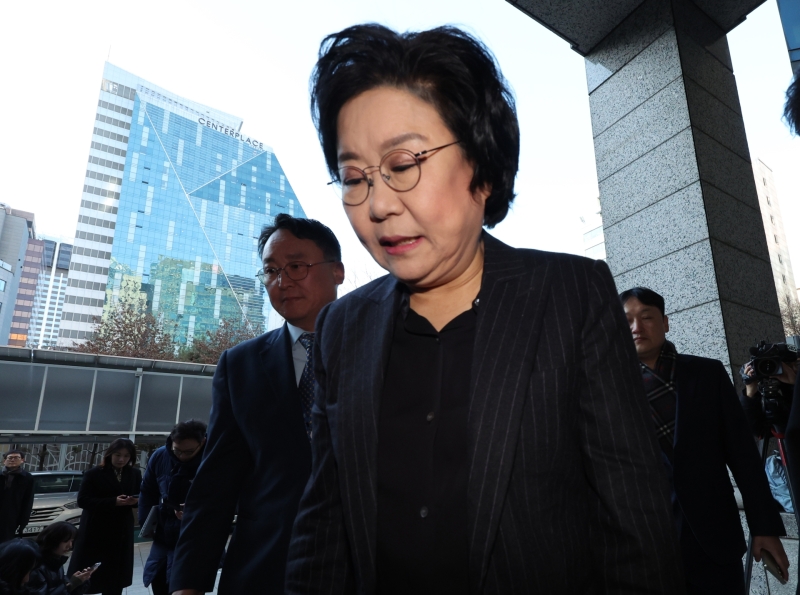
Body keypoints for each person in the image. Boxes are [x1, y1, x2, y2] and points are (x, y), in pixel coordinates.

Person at [285, 24, 684, 594]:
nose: (377, 204)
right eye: (354, 177)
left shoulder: (572, 295)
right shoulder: (340, 328)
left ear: (483, 169)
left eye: (403, 164)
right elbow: (323, 522)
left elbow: (634, 517)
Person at [170, 214, 345, 594]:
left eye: (296, 266)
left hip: (365, 567)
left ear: (337, 271)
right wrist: (188, 582)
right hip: (264, 567)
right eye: (271, 271)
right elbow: (216, 481)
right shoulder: (240, 364)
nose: (282, 281)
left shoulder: (384, 350)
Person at [620, 286, 788, 593]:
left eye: (646, 317)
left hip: (714, 542)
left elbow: (742, 455)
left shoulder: (706, 374)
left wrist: (764, 526)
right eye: (627, 320)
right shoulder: (606, 388)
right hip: (643, 548)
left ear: (665, 322)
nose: (636, 327)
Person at [138, 420, 207, 595]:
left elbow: (227, 498)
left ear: (203, 442)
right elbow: (147, 491)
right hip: (164, 535)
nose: (182, 456)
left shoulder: (213, 459)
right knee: (159, 581)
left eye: (189, 452)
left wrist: (196, 510)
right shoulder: (160, 456)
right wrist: (147, 523)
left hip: (197, 540)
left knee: (188, 586)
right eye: (177, 451)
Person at [67, 439, 141, 595]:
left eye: (126, 456)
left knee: (116, 575)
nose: (121, 459)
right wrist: (113, 501)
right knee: (90, 573)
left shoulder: (134, 473)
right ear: (110, 454)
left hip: (121, 529)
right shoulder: (94, 473)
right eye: (118, 455)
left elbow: (140, 496)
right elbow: (83, 500)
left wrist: (135, 501)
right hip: (96, 529)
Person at [27, 521, 95, 595]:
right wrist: (72, 584)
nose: (70, 546)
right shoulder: (36, 567)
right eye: (66, 541)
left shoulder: (56, 561)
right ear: (54, 540)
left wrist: (81, 581)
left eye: (72, 541)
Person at [0, 450, 34, 542]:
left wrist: (24, 521)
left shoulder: (27, 478)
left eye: (16, 457)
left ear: (22, 460)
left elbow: (28, 500)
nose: (12, 460)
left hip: (13, 517)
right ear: (4, 461)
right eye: (10, 458)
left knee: (6, 543)